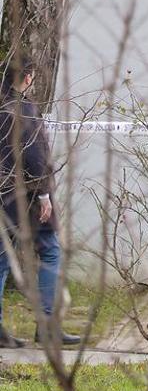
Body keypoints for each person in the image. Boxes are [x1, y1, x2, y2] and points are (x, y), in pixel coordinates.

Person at [0, 60, 80, 347]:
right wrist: (44, 194)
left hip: (3, 195)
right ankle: (46, 325)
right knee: (49, 252)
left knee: (1, 259)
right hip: (28, 198)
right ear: (27, 77)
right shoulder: (24, 110)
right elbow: (34, 156)